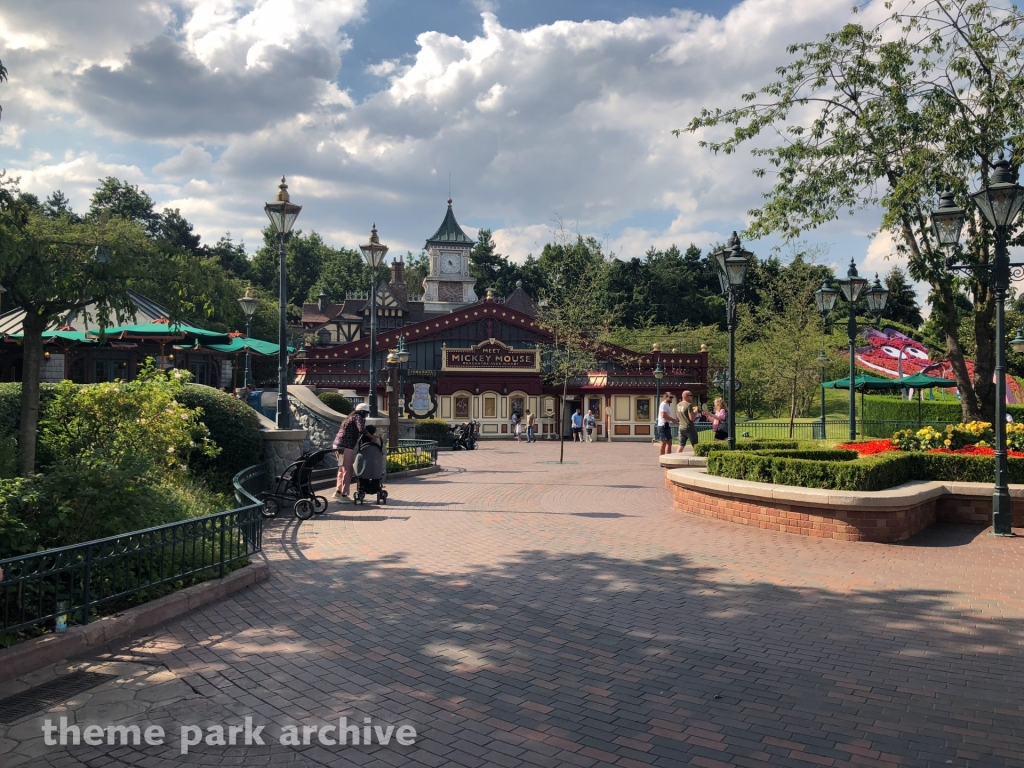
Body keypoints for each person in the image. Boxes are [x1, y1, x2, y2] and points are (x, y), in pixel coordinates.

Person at [332, 403, 369, 500]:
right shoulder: (358, 417)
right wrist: (372, 437)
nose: (366, 415)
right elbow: (362, 429)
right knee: (348, 470)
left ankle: (338, 492)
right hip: (345, 447)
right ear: (362, 412)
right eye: (366, 413)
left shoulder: (349, 417)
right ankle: (344, 495)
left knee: (341, 468)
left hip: (337, 445)